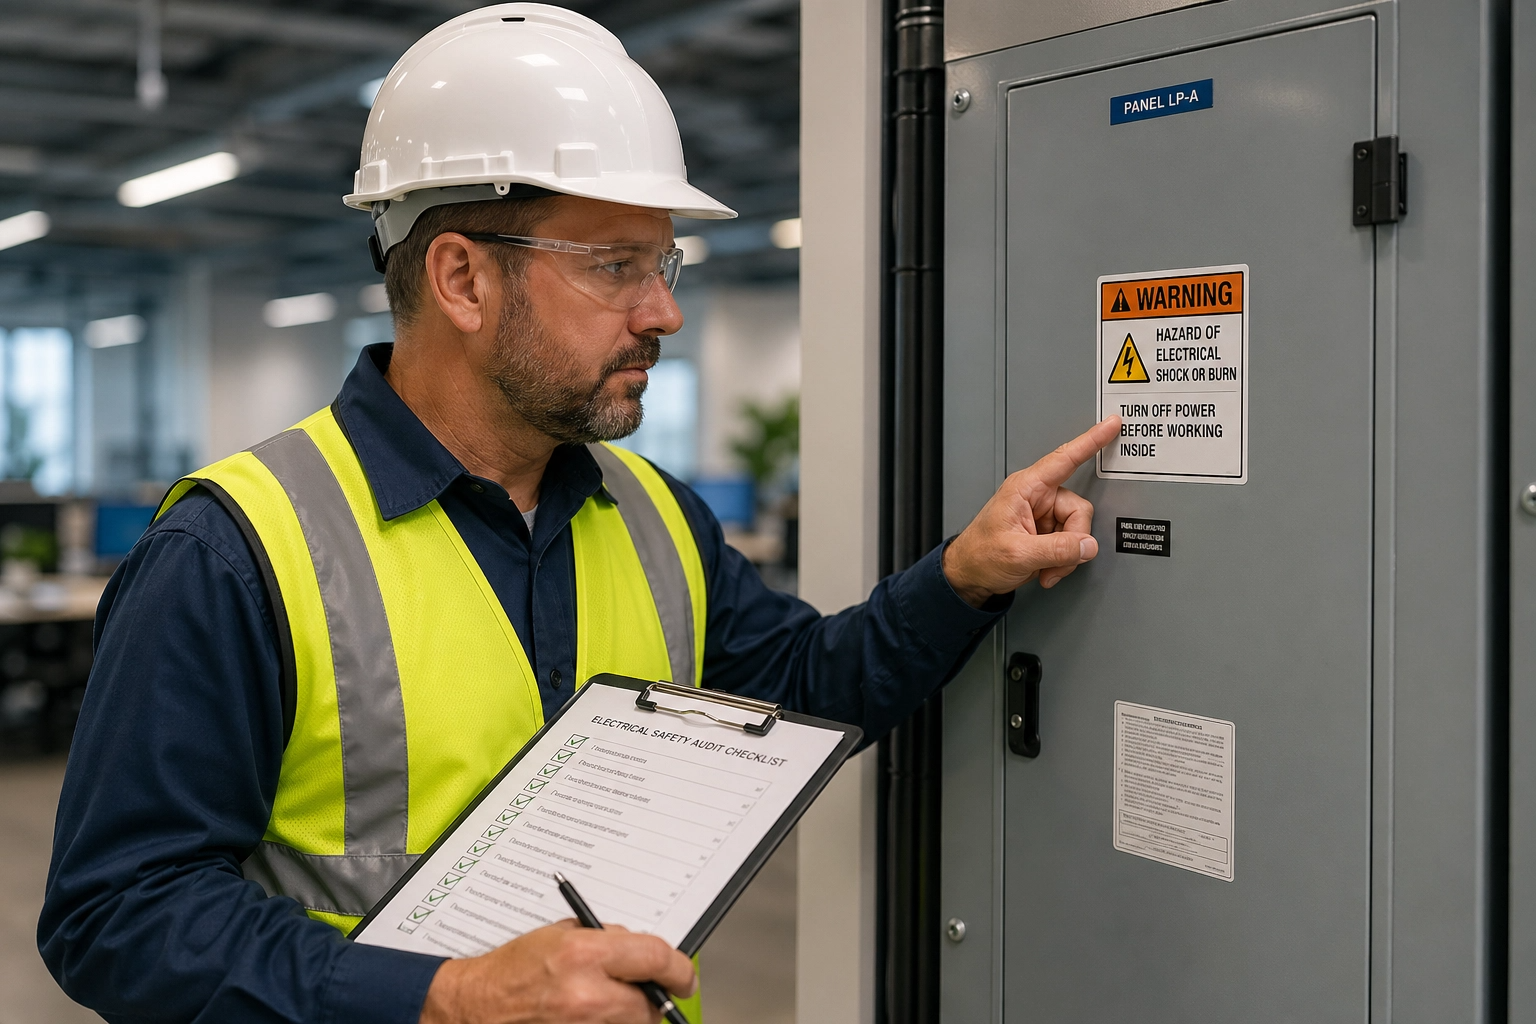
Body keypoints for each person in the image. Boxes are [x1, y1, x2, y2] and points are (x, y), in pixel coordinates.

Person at [38, 6, 1120, 1024]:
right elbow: (118, 914)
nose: (667, 311)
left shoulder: (652, 515)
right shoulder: (238, 550)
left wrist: (967, 574)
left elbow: (801, 697)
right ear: (462, 278)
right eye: (617, 267)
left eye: (664, 261)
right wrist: (448, 995)